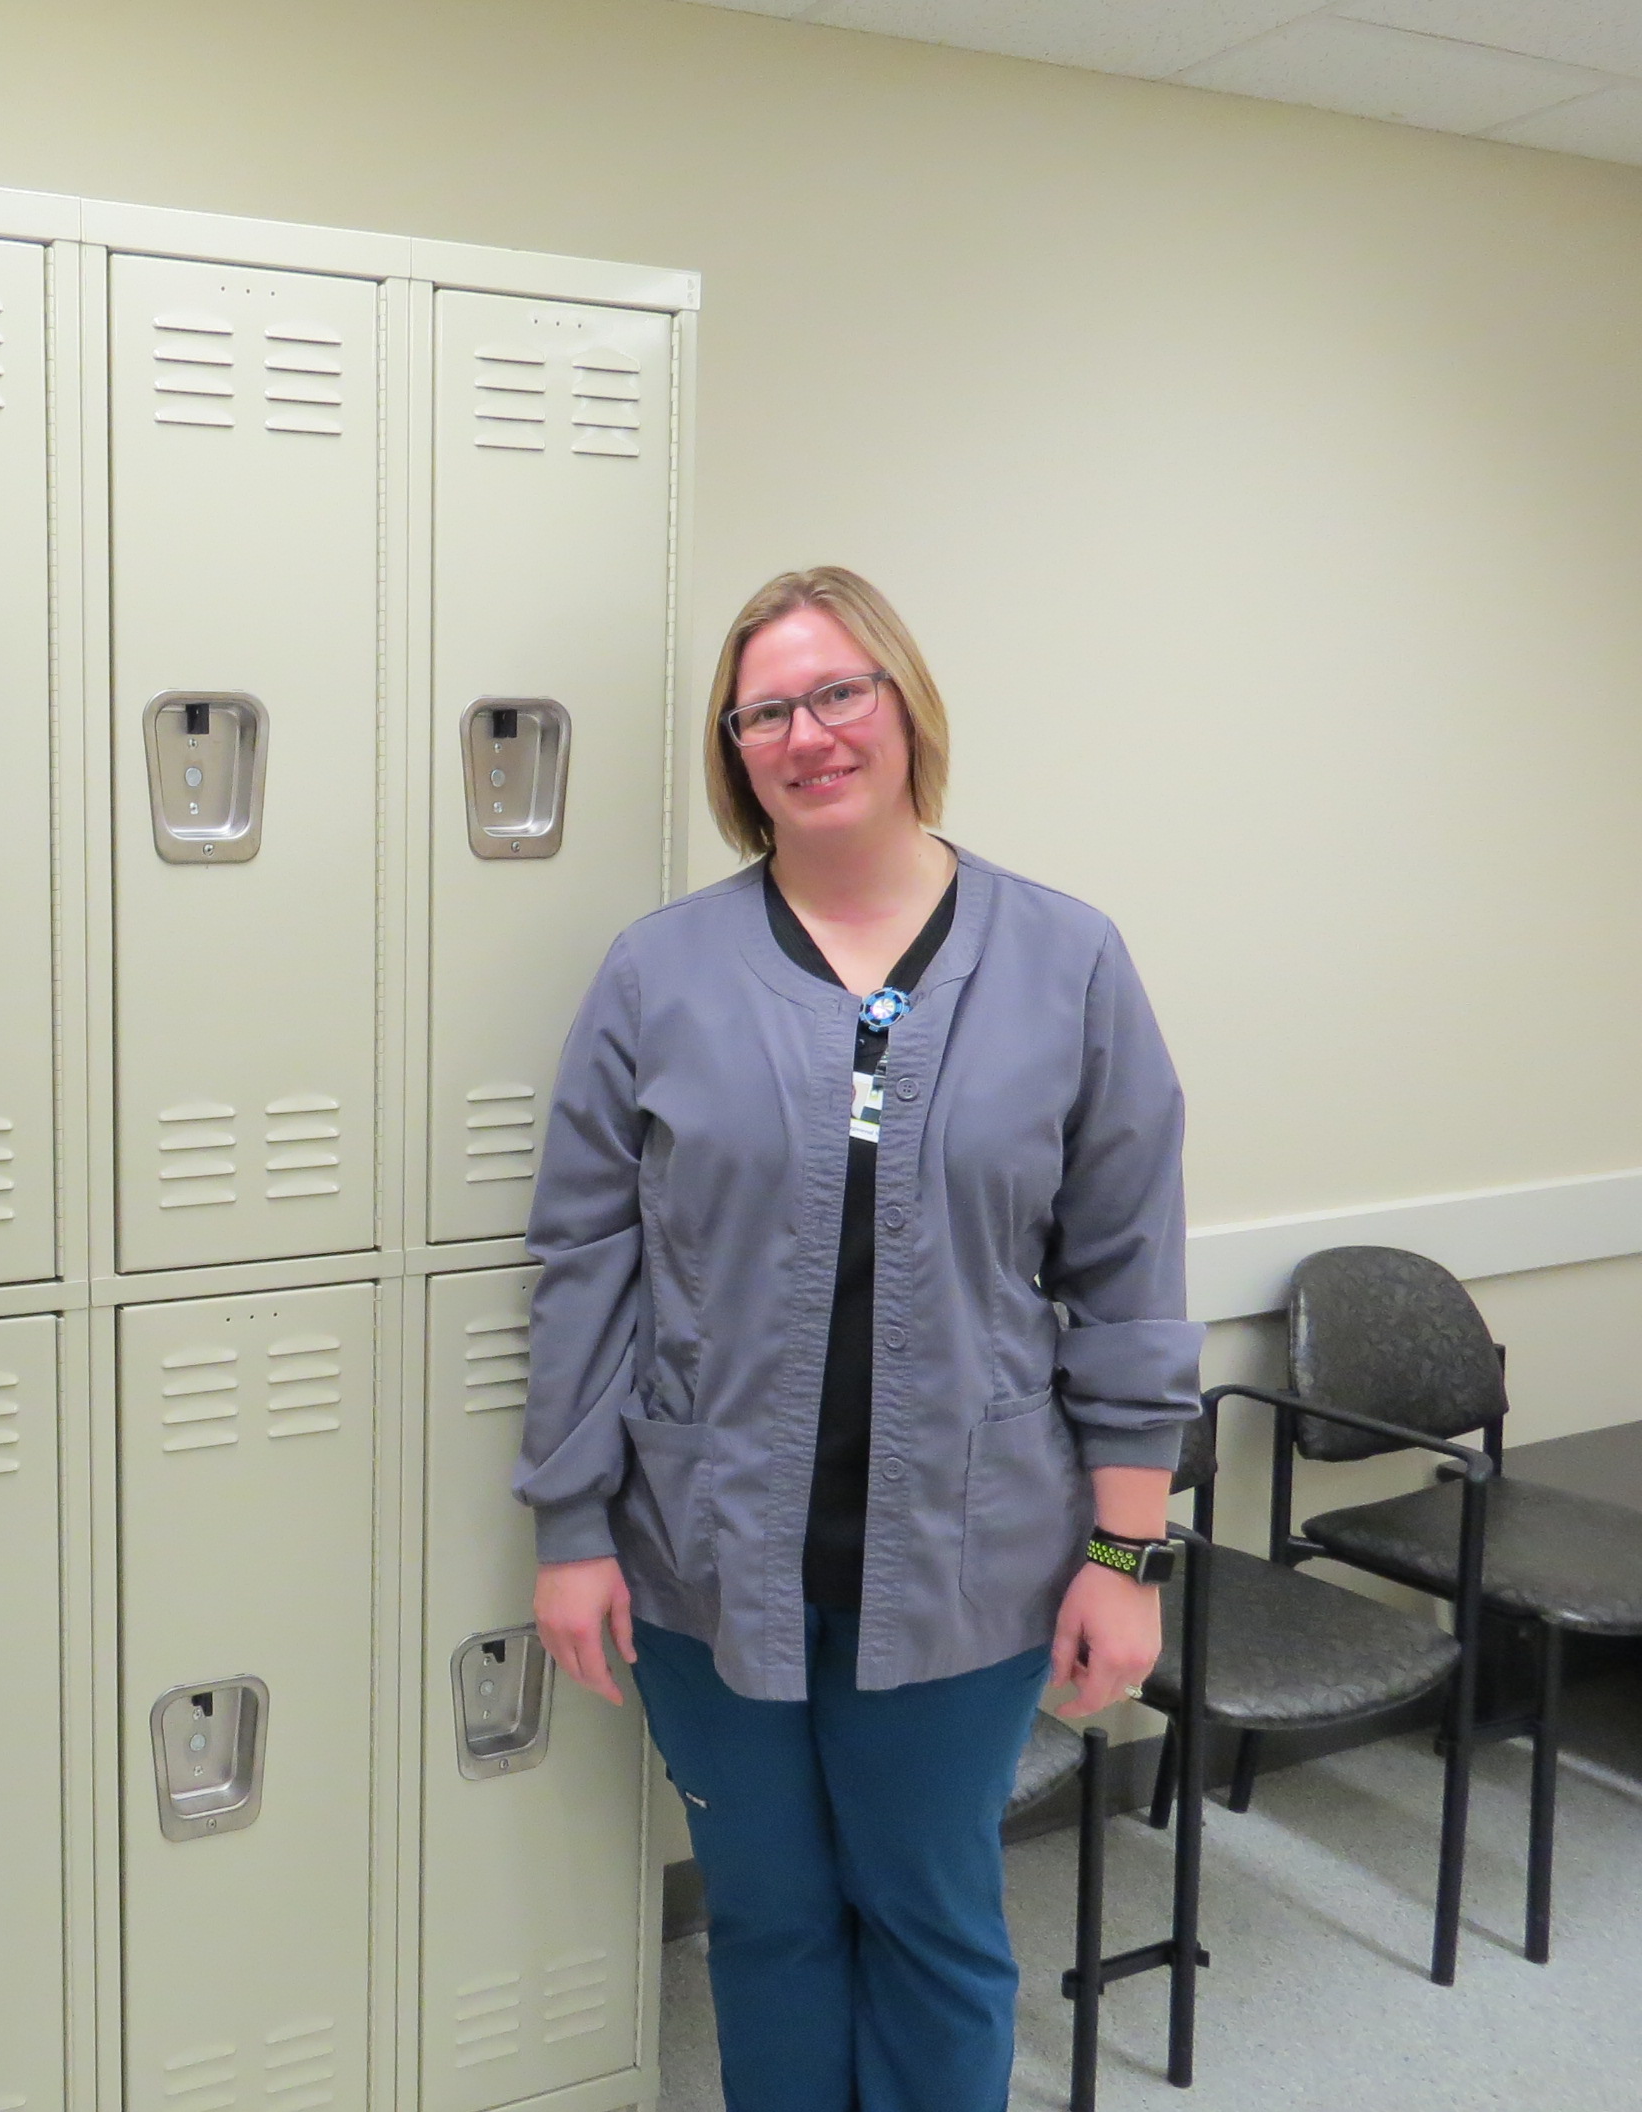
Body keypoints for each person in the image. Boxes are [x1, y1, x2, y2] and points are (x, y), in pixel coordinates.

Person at [519, 567, 1198, 2112]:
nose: (808, 733)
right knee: (767, 1924)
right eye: (767, 709)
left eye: (841, 694)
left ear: (904, 708)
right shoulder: (659, 970)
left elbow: (1129, 1277)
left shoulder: (1065, 959)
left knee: (933, 1922)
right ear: (734, 749)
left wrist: (1127, 1560)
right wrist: (570, 1526)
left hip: (973, 1557)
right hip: (706, 1552)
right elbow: (582, 1261)